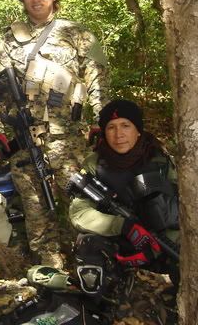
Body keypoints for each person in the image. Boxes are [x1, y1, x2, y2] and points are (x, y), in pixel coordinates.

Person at [0, 0, 107, 269]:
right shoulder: (7, 41)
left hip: (68, 139)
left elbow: (97, 79)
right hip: (26, 136)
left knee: (76, 202)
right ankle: (49, 268)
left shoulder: (77, 35)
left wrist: (103, 121)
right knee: (35, 207)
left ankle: (86, 260)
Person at [68, 99, 179, 304]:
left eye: (126, 125)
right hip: (120, 240)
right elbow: (79, 213)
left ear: (138, 130)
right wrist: (123, 226)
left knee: (189, 246)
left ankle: (184, 295)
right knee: (88, 244)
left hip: (162, 242)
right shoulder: (95, 164)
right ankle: (104, 299)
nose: (119, 134)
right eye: (111, 127)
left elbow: (183, 204)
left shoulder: (159, 160)